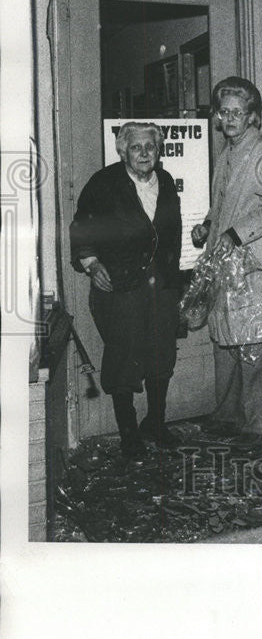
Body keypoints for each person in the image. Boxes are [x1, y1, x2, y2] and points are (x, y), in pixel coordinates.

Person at [70, 121, 182, 460]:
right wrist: (91, 263)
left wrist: (178, 281)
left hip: (160, 284)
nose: (144, 153)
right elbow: (81, 228)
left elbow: (170, 234)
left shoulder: (164, 181)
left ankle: (156, 424)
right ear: (123, 151)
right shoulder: (104, 184)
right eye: (136, 147)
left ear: (158, 149)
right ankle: (129, 435)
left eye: (150, 146)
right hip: (120, 285)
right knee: (124, 356)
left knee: (162, 353)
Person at [192, 76, 262, 439]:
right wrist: (207, 226)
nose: (229, 118)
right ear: (217, 116)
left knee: (255, 347)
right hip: (226, 264)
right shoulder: (227, 154)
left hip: (252, 265)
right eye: (223, 111)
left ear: (252, 116)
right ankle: (229, 415)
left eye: (237, 112)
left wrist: (234, 233)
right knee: (227, 346)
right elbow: (223, 206)